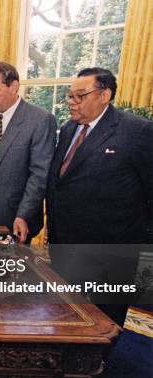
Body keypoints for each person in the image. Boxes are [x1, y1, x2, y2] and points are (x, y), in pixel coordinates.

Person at [46, 67, 153, 326]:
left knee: (104, 322)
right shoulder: (69, 129)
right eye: (70, 96)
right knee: (68, 313)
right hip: (66, 245)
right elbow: (60, 182)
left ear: (105, 95)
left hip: (111, 250)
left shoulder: (136, 131)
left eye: (80, 96)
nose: (72, 102)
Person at [0, 62, 56, 243]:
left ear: (14, 87)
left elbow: (39, 176)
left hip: (15, 219)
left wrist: (24, 214)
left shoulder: (40, 120)